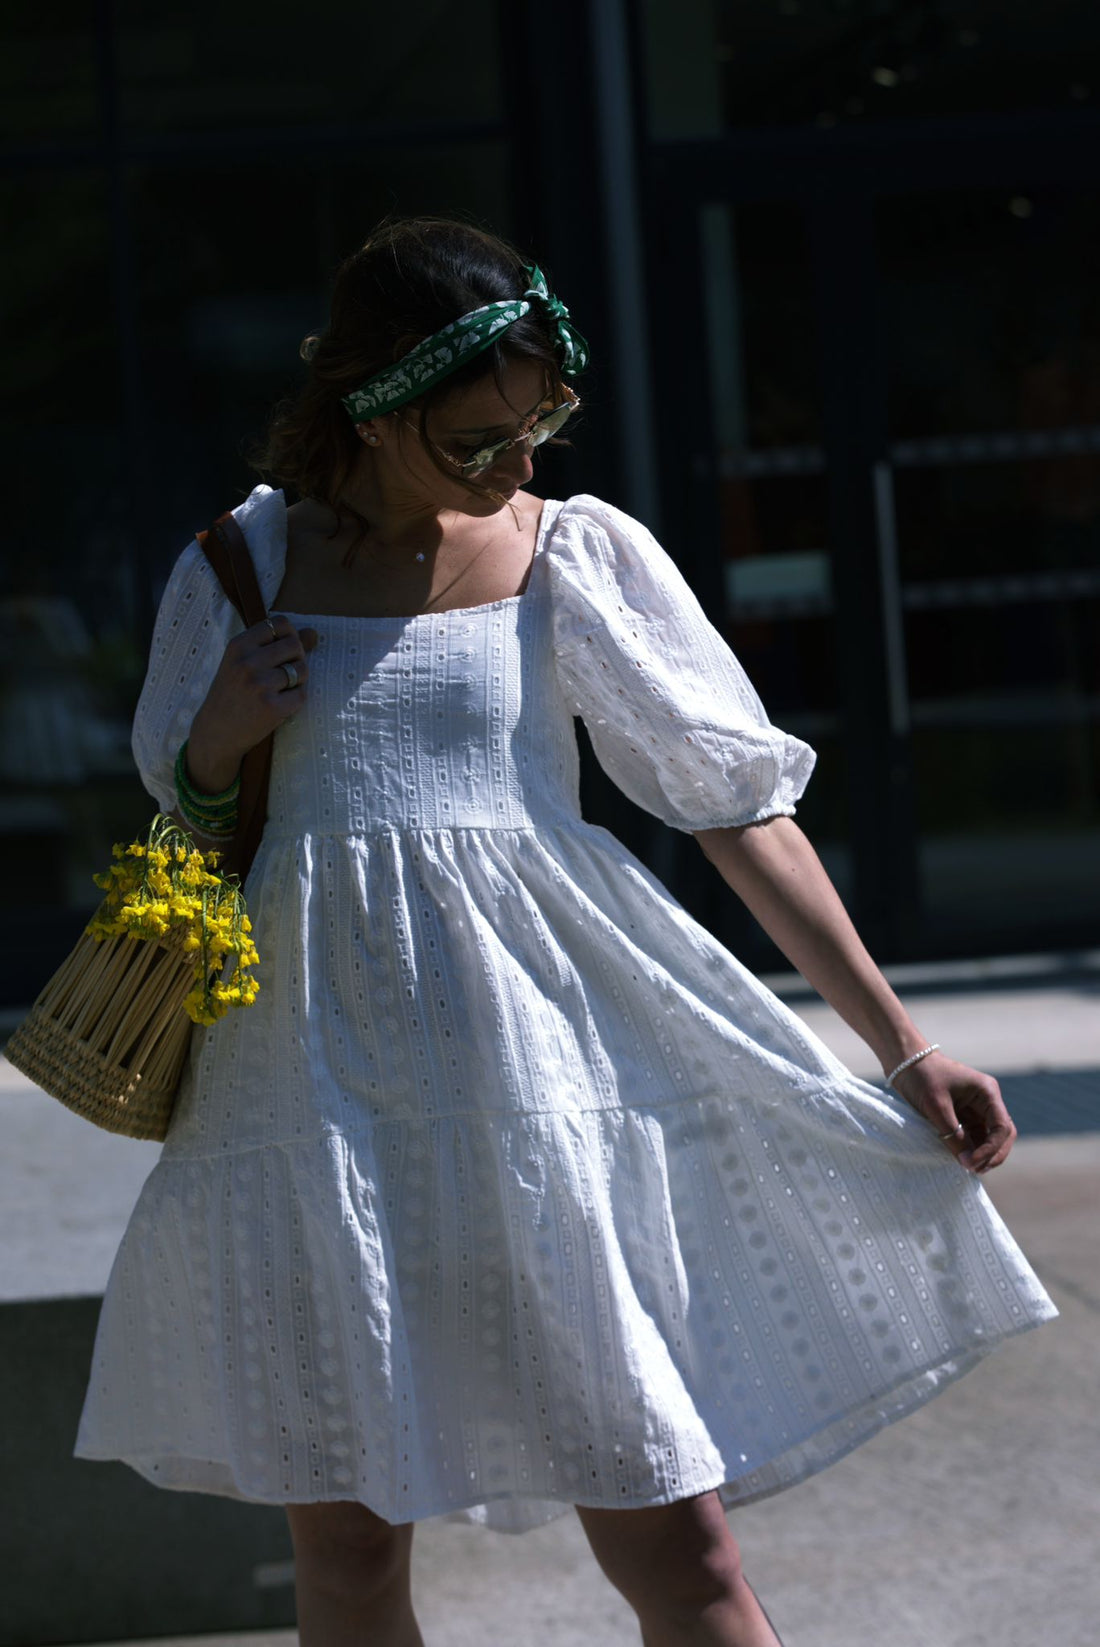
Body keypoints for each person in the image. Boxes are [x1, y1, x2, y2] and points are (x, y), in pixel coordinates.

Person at [75, 216, 1056, 1647]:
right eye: (479, 437)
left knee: (684, 1549)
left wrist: (903, 1050)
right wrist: (223, 737)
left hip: (540, 1097)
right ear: (371, 399)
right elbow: (182, 797)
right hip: (309, 1099)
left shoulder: (565, 552)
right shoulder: (235, 565)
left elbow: (736, 807)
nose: (518, 465)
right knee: (346, 1562)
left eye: (539, 427)